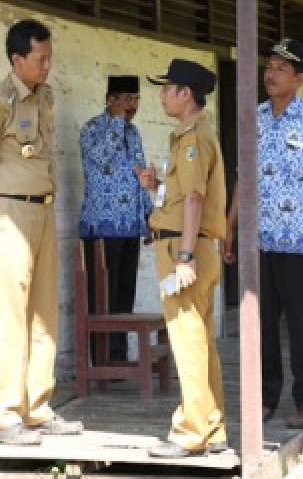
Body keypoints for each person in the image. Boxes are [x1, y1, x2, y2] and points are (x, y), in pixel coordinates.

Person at [0, 19, 82, 446]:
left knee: (42, 313)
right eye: (41, 59)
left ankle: (37, 408)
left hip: (43, 212)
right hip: (10, 212)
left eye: (50, 57)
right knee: (9, 316)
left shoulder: (46, 97)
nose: (48, 66)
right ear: (17, 59)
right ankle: (2, 416)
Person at [223, 39, 303, 429]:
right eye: (269, 66)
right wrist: (230, 224)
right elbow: (243, 175)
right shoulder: (252, 117)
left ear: (300, 78)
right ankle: (264, 397)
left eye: (280, 68)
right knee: (260, 321)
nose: (270, 74)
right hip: (260, 239)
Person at [136, 59, 228, 458]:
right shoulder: (192, 136)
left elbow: (194, 199)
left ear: (185, 93)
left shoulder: (193, 138)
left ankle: (191, 430)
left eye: (167, 88)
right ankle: (213, 427)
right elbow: (180, 196)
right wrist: (156, 186)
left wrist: (185, 257)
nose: (161, 94)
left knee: (187, 341)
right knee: (200, 341)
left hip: (183, 248)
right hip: (192, 245)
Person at [78, 75, 152, 362]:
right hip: (101, 225)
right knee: (102, 294)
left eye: (136, 100)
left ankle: (118, 356)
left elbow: (141, 174)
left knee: (124, 295)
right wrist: (117, 122)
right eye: (126, 99)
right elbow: (102, 158)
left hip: (130, 226)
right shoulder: (92, 129)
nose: (132, 106)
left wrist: (147, 216)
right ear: (111, 100)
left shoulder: (134, 134)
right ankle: (100, 358)